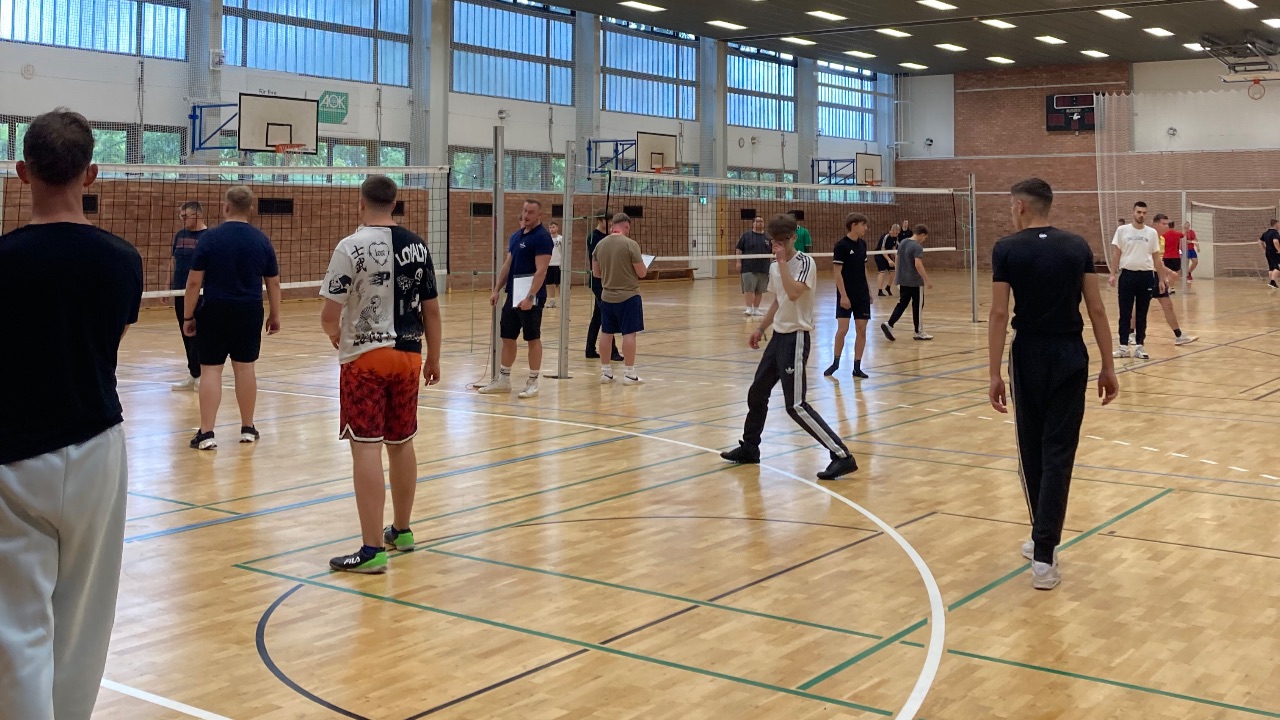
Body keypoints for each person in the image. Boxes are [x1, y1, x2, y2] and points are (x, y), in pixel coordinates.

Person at [0, 108, 142, 720]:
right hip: (96, 448)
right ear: (91, 174)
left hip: (13, 452)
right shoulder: (123, 260)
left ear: (21, 171)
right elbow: (108, 340)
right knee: (85, 618)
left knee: (15, 626)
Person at [988, 178, 1119, 591]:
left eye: (1011, 206)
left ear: (1021, 206)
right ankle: (1043, 550)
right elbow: (1096, 309)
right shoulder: (1077, 246)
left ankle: (1042, 543)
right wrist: (1108, 365)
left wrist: (993, 373)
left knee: (1033, 451)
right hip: (1070, 354)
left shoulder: (1006, 248)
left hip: (1027, 353)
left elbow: (998, 313)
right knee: (1059, 451)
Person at [320, 176, 442, 574]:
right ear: (395, 203)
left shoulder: (350, 246)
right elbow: (432, 311)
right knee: (402, 442)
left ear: (361, 203)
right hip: (409, 357)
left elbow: (328, 314)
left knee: (366, 447)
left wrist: (335, 334)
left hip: (366, 360)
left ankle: (372, 550)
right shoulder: (418, 246)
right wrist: (435, 358)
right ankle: (402, 531)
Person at [720, 215, 858, 482]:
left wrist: (782, 263)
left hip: (797, 337)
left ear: (793, 237)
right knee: (757, 393)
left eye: (783, 241)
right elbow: (780, 300)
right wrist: (761, 328)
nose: (779, 246)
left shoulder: (805, 262)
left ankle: (842, 455)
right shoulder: (775, 266)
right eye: (775, 242)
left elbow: (794, 293)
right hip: (778, 337)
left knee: (795, 405)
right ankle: (750, 447)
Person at [183, 186, 282, 450]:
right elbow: (273, 283)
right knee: (245, 368)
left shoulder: (209, 238)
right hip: (249, 310)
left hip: (215, 309)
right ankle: (248, 428)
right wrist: (275, 314)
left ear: (225, 207)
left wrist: (188, 316)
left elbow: (193, 283)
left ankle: (206, 433)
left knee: (211, 370)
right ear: (251, 209)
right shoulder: (261, 240)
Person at [479, 199, 553, 399]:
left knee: (532, 338)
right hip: (513, 295)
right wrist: (496, 289)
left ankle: (533, 381)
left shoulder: (542, 237)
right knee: (507, 337)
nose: (526, 215)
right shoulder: (516, 236)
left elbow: (541, 270)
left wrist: (530, 297)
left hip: (531, 297)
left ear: (539, 215)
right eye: (525, 211)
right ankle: (504, 379)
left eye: (531, 212)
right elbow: (507, 265)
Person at [593, 213, 647, 386]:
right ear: (626, 226)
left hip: (607, 296)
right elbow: (642, 273)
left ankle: (606, 372)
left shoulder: (600, 245)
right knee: (629, 334)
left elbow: (596, 274)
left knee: (606, 333)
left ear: (612, 226)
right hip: (628, 296)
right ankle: (629, 374)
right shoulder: (631, 244)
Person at [1108, 201, 1163, 360]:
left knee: (1141, 313)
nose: (1141, 215)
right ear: (1133, 212)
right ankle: (1123, 346)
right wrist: (1112, 273)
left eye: (1144, 213)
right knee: (1124, 312)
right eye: (1139, 212)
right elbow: (1116, 253)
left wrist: (1161, 279)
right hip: (1127, 275)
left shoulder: (1151, 233)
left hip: (1146, 276)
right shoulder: (1122, 230)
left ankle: (1139, 345)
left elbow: (1156, 257)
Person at [826, 213, 874, 379]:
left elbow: (863, 269)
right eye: (863, 225)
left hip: (862, 294)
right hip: (846, 294)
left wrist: (869, 290)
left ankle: (857, 367)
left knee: (862, 330)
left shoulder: (863, 244)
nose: (866, 228)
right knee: (843, 329)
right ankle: (835, 362)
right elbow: (837, 272)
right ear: (854, 225)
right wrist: (844, 296)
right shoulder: (841, 246)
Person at [170, 201, 207, 391]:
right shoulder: (180, 235)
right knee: (186, 334)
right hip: (180, 293)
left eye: (185, 216)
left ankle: (202, 375)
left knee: (199, 335)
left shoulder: (208, 237)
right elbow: (173, 262)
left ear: (197, 215)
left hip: (201, 294)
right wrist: (167, 287)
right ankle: (193, 374)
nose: (182, 220)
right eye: (180, 216)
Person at [1145, 214, 1197, 346]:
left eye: (1167, 224)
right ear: (1155, 224)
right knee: (1140, 306)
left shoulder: (1162, 239)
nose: (1166, 226)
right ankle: (1130, 334)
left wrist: (1163, 277)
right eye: (1163, 224)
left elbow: (1159, 261)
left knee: (1168, 305)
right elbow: (1152, 261)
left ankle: (1179, 335)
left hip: (1157, 275)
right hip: (1146, 275)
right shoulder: (1149, 237)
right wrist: (1169, 272)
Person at [881, 225, 933, 342]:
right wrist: (927, 280)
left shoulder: (903, 242)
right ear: (922, 235)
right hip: (915, 281)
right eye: (925, 238)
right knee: (917, 306)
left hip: (903, 280)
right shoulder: (917, 246)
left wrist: (897, 275)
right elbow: (918, 264)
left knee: (902, 303)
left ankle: (889, 324)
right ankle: (918, 332)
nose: (924, 240)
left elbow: (897, 258)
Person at [584, 210, 624, 362]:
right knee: (608, 314)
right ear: (600, 220)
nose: (610, 223)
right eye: (607, 220)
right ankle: (613, 351)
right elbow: (599, 258)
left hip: (608, 280)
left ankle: (589, 349)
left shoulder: (610, 236)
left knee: (598, 317)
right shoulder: (593, 237)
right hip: (597, 281)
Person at [737, 216, 771, 317]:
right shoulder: (746, 236)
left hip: (763, 267)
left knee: (759, 290)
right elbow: (739, 249)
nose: (760, 223)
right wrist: (738, 262)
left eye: (761, 221)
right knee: (749, 289)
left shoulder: (768, 237)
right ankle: (749, 308)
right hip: (748, 267)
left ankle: (756, 309)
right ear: (753, 223)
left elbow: (772, 251)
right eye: (757, 221)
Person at [874, 223, 900, 297]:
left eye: (898, 233)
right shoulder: (885, 236)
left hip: (887, 254)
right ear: (892, 230)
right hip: (880, 254)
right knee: (882, 272)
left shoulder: (895, 238)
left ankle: (888, 287)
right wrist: (889, 260)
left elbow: (893, 249)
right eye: (896, 232)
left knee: (893, 271)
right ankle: (880, 291)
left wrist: (896, 258)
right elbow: (882, 249)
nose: (897, 234)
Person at [547, 221, 563, 308]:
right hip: (549, 264)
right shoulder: (547, 239)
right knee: (549, 283)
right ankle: (552, 301)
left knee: (559, 284)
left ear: (557, 228)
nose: (552, 229)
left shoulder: (561, 239)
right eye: (550, 227)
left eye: (553, 227)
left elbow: (564, 252)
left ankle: (562, 301)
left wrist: (562, 263)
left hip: (558, 264)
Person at [1263, 219, 1280, 289]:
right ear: (1275, 224)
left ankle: (1272, 283)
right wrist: (1279, 250)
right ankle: (1272, 282)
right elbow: (1275, 241)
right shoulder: (1275, 233)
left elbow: (1259, 241)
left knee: (1271, 268)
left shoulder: (1266, 233)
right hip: (1274, 253)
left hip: (1268, 252)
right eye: (1279, 224)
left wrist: (1264, 249)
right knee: (1278, 267)